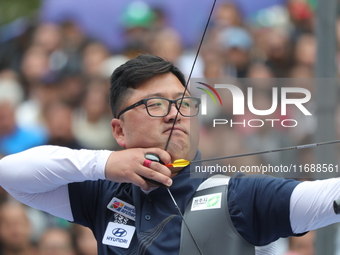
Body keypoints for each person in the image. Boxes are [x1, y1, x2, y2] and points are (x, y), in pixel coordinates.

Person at [1, 54, 340, 255]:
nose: (175, 114)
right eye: (156, 104)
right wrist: (105, 164)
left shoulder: (235, 194)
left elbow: (325, 198)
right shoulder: (104, 192)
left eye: (184, 103)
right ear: (119, 131)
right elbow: (10, 174)